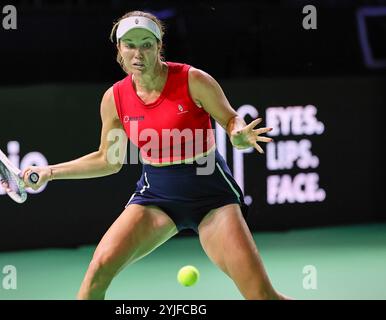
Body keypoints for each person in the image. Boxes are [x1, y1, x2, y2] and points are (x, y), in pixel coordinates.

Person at [21, 11, 290, 300]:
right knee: (98, 270)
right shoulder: (115, 98)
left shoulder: (192, 80)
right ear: (119, 49)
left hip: (212, 199)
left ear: (159, 46)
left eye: (146, 44)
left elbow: (231, 121)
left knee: (262, 296)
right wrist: (50, 172)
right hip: (156, 198)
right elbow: (107, 160)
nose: (138, 53)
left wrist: (238, 134)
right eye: (130, 44)